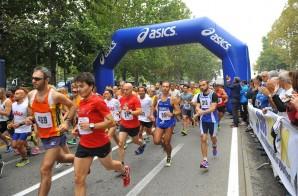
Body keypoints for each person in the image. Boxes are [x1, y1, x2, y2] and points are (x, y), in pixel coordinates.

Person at [72, 72, 130, 196]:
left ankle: (124, 169)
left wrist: (92, 126)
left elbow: (112, 122)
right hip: (84, 144)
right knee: (78, 179)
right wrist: (78, 129)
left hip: (100, 144)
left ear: (91, 86)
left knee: (109, 166)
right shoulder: (81, 102)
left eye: (81, 86)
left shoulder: (98, 101)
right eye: (77, 86)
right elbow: (85, 120)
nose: (78, 89)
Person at [26, 66, 76, 196]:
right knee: (63, 157)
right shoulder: (31, 95)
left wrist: (67, 122)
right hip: (44, 135)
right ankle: (81, 161)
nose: (33, 81)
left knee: (45, 168)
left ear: (46, 80)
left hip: (56, 134)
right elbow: (33, 114)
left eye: (37, 79)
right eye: (33, 78)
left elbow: (73, 106)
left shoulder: (55, 95)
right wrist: (30, 118)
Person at [153, 81, 181, 167]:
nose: (165, 88)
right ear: (161, 87)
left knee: (167, 142)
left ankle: (168, 156)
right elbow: (153, 106)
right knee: (156, 141)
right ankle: (164, 146)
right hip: (160, 121)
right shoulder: (157, 97)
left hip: (169, 122)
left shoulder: (172, 99)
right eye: (163, 86)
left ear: (169, 88)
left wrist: (172, 114)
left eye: (167, 87)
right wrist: (152, 114)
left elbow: (178, 111)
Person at [118, 83, 146, 165]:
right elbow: (121, 108)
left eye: (127, 89)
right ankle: (121, 164)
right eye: (124, 89)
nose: (125, 91)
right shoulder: (121, 99)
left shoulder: (135, 99)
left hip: (134, 126)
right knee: (120, 144)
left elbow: (140, 111)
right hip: (124, 124)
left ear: (131, 90)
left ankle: (142, 143)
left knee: (135, 141)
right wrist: (119, 111)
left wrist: (130, 112)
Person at [194, 80, 219, 169]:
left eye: (203, 85)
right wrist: (198, 110)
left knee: (213, 137)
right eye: (200, 85)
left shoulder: (213, 95)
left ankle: (214, 146)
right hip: (203, 120)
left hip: (213, 120)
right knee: (203, 138)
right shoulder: (199, 95)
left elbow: (213, 108)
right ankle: (205, 160)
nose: (201, 87)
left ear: (207, 85)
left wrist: (201, 112)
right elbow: (197, 105)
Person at [8, 87, 31, 167]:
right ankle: (27, 148)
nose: (14, 95)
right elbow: (15, 117)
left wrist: (20, 123)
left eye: (17, 94)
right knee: (14, 145)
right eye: (15, 93)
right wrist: (11, 123)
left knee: (19, 145)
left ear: (23, 96)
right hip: (17, 129)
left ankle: (25, 159)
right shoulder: (13, 104)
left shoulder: (26, 105)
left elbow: (31, 117)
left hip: (25, 128)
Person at [0, 88, 13, 153]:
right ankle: (9, 144)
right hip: (1, 121)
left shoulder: (7, 101)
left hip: (7, 121)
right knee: (2, 136)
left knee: (3, 135)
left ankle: (11, 143)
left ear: (2, 94)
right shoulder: (0, 101)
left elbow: (7, 113)